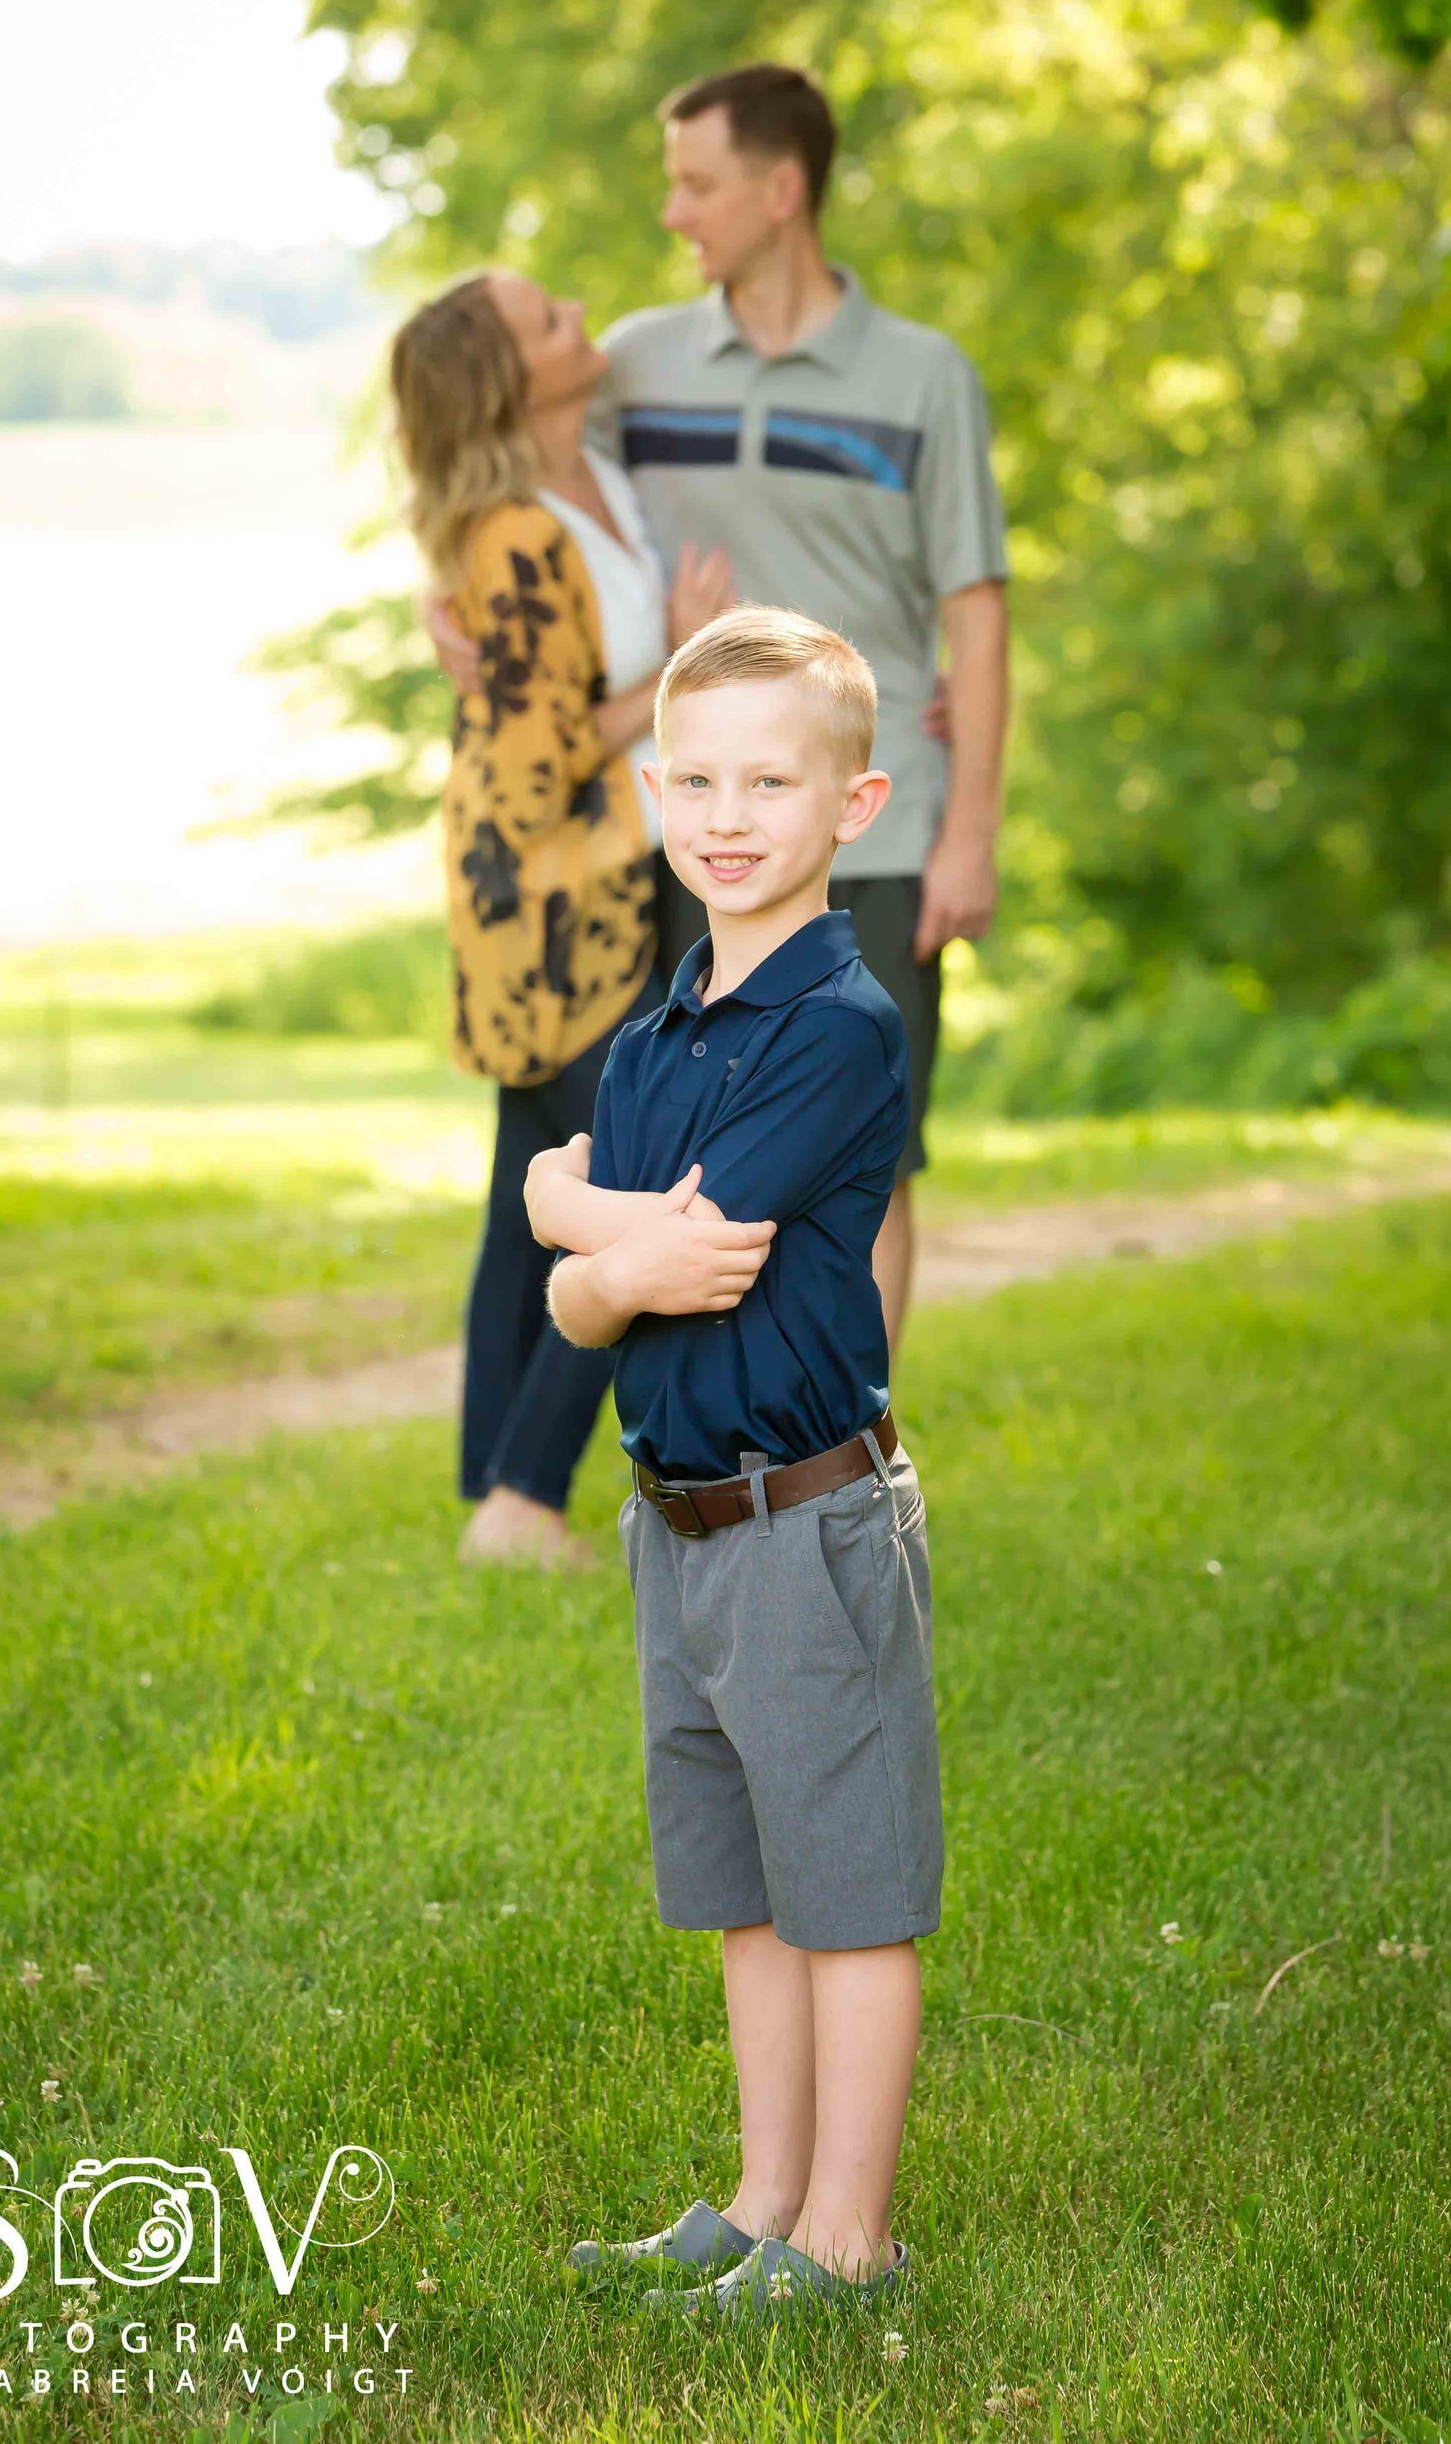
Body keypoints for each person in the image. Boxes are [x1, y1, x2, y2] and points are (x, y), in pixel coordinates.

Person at [428, 60, 1010, 1359]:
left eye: (697, 182)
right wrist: (441, 587)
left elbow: (977, 611)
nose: (675, 211)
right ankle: (713, 1435)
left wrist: (973, 826)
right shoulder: (635, 359)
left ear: (781, 190)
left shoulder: (923, 379)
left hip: (880, 820)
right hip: (696, 821)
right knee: (694, 1142)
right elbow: (508, 466)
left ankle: (853, 1435)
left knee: (871, 1150)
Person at [524, 608, 940, 2311]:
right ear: (649, 788)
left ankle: (853, 2239)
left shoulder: (840, 1027)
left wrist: (567, 1213)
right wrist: (592, 1256)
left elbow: (705, 1252)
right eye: (695, 776)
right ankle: (767, 2201)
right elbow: (590, 1313)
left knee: (846, 1890)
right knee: (749, 1888)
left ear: (853, 805)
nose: (727, 810)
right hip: (679, 1522)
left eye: (771, 779)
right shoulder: (651, 1038)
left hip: (804, 1513)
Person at [391, 269, 731, 1568]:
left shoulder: (588, 480)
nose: (577, 314)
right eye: (545, 319)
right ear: (506, 380)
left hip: (590, 888)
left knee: (519, 1200)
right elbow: (541, 764)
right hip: (554, 908)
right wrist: (686, 662)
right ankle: (527, 1498)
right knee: (637, 1201)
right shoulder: (519, 534)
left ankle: (493, 1482)